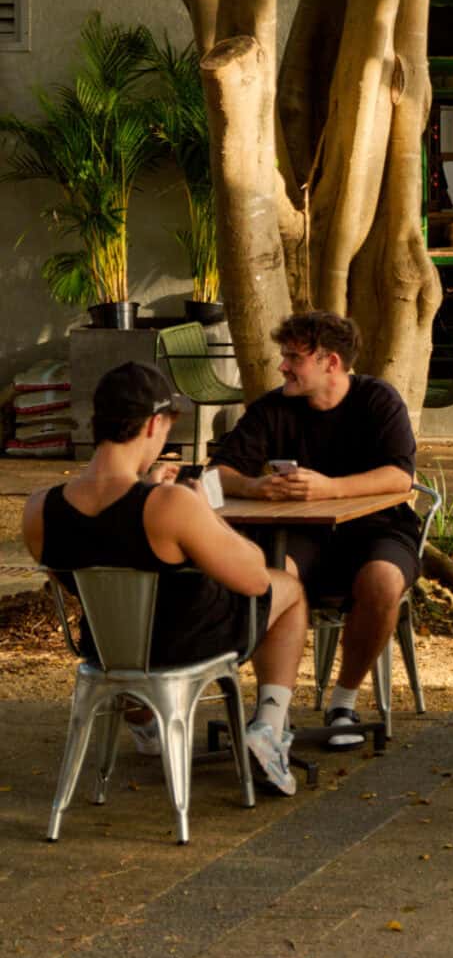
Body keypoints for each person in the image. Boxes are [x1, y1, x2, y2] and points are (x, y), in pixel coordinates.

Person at [23, 361, 309, 795]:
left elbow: (81, 577)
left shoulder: (39, 507)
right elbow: (253, 580)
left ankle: (147, 724)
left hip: (105, 648)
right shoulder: (171, 505)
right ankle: (268, 727)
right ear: (154, 423)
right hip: (185, 644)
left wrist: (149, 488)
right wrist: (210, 518)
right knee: (287, 582)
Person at [209, 311, 424, 753]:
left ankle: (343, 703)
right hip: (299, 534)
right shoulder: (273, 408)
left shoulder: (377, 400)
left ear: (331, 362)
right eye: (283, 355)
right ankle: (273, 710)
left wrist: (331, 488)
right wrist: (254, 485)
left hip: (377, 530)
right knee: (271, 577)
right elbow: (220, 472)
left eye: (293, 357)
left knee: (382, 581)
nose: (282, 366)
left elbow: (400, 476)